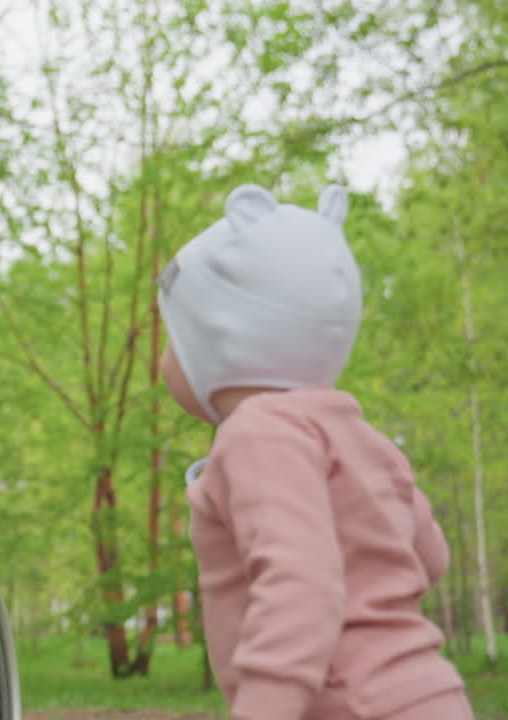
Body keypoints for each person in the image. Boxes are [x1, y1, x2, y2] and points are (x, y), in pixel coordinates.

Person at [156, 183, 472, 720]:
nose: (164, 357)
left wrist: (261, 707)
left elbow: (299, 585)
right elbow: (430, 558)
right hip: (429, 692)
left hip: (349, 702)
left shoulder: (258, 435)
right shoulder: (358, 433)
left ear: (220, 340)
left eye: (174, 337)